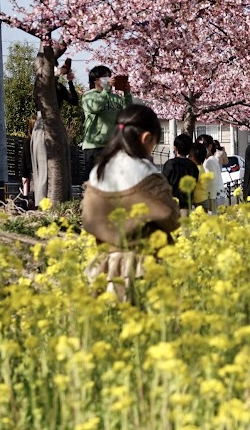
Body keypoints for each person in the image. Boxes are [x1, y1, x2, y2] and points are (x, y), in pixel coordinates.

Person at [81, 105, 179, 302]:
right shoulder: (146, 171)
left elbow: (88, 220)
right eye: (154, 143)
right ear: (146, 138)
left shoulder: (98, 171)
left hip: (105, 264)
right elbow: (170, 218)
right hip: (144, 264)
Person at [32, 62, 80, 204]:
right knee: (43, 165)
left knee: (63, 162)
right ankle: (41, 202)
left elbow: (74, 100)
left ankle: (63, 200)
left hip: (58, 122)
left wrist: (70, 82)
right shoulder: (39, 83)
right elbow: (44, 91)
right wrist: (57, 74)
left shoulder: (58, 86)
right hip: (43, 122)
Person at [81, 65, 133, 180]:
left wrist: (127, 94)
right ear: (95, 80)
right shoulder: (88, 95)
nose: (108, 79)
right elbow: (95, 107)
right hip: (94, 145)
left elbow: (126, 115)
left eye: (109, 76)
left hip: (113, 145)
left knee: (113, 181)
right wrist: (107, 90)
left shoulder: (115, 98)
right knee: (94, 181)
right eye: (104, 77)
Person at [162, 134, 199, 213]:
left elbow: (163, 183)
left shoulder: (169, 164)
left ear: (175, 148)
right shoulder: (193, 166)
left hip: (170, 204)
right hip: (186, 205)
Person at [196, 134, 226, 209]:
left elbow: (213, 181)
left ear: (210, 147)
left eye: (203, 147)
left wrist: (211, 199)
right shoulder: (210, 160)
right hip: (217, 195)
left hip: (215, 197)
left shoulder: (210, 161)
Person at [189, 143, 210, 210]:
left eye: (189, 156)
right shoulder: (201, 168)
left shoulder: (196, 170)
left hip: (199, 201)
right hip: (204, 198)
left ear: (193, 157)